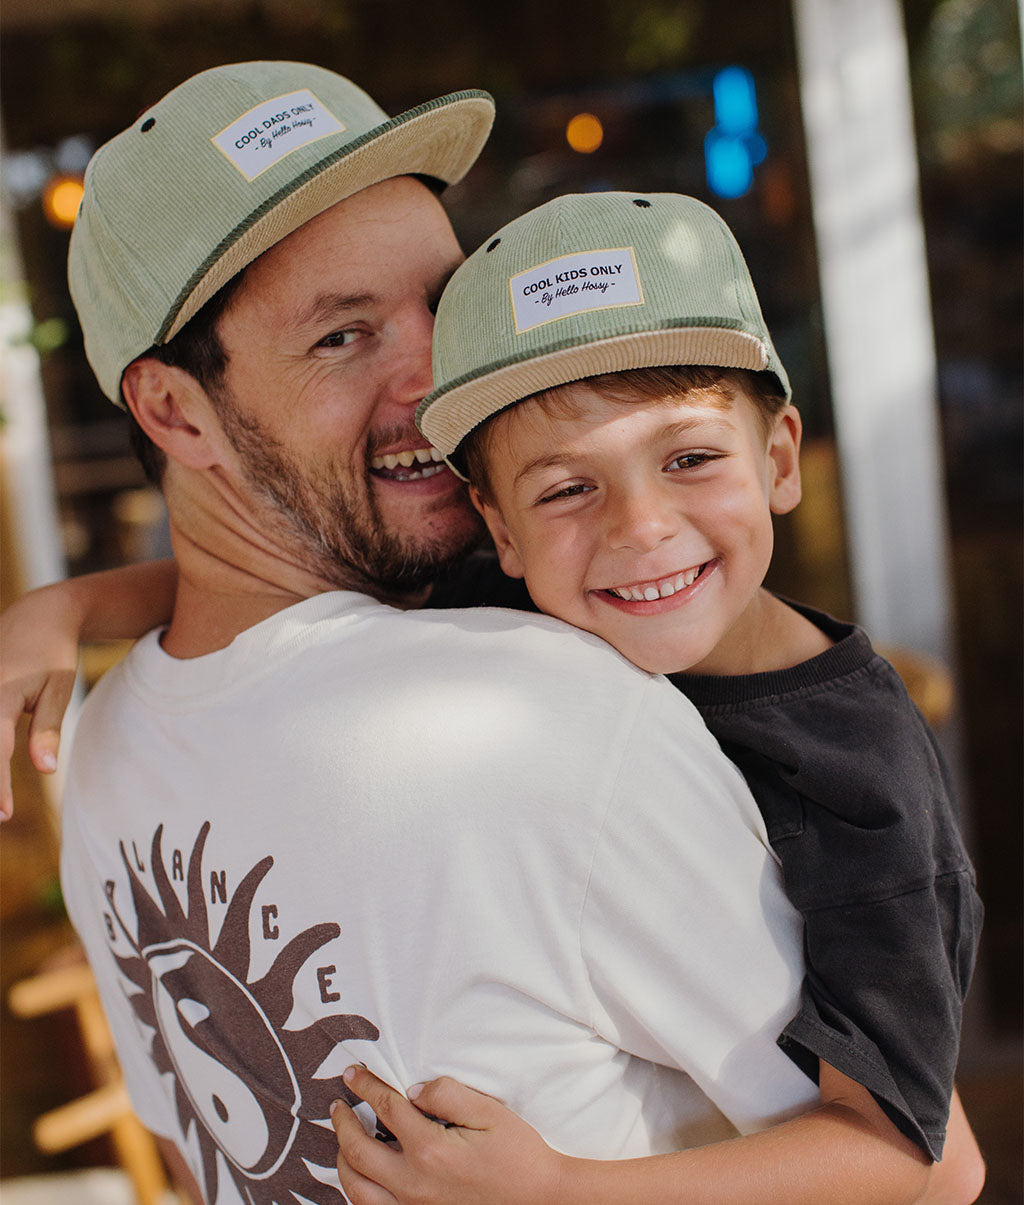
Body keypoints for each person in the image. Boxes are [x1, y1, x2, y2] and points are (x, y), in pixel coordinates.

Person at [0, 64, 982, 1205]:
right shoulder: (543, 710)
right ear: (173, 409)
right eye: (342, 337)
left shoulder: (109, 752)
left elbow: (908, 1154)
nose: (436, 378)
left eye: (443, 303)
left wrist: (58, 605)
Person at [326, 191, 985, 1203]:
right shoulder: (513, 605)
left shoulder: (867, 781)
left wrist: (554, 1185)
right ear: (498, 530)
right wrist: (62, 610)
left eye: (688, 457)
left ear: (775, 459)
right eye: (564, 487)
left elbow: (907, 1155)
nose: (639, 525)